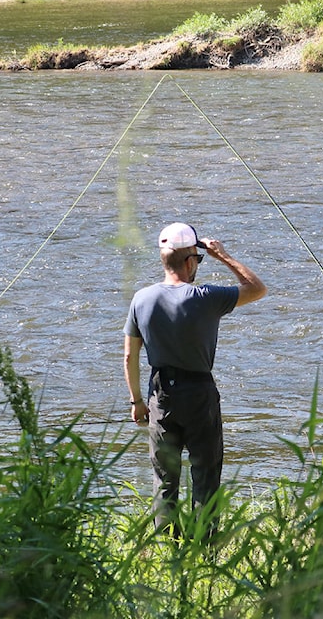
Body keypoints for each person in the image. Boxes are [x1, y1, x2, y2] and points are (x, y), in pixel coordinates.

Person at [124, 222, 266, 539]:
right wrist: (223, 256)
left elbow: (130, 357)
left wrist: (137, 401)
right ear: (191, 261)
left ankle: (166, 551)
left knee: (165, 480)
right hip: (199, 393)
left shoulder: (141, 299)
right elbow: (257, 288)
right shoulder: (205, 297)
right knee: (205, 474)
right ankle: (205, 547)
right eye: (198, 260)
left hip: (160, 394)